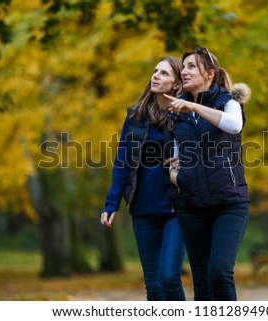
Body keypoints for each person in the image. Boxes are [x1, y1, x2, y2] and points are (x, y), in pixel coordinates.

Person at [164, 47, 251, 300]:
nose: (185, 71)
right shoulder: (179, 113)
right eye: (184, 67)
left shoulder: (229, 102)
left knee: (219, 273)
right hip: (192, 206)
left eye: (192, 66)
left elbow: (234, 126)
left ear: (209, 74)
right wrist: (175, 176)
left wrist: (193, 107)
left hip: (229, 204)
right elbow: (177, 154)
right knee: (201, 282)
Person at [100, 56, 186, 301]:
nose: (156, 76)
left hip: (176, 208)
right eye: (155, 71)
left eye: (164, 73)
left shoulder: (185, 116)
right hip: (143, 209)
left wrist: (188, 161)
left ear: (177, 84)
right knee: (154, 286)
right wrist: (111, 203)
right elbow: (122, 162)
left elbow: (202, 151)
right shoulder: (135, 117)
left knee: (169, 278)